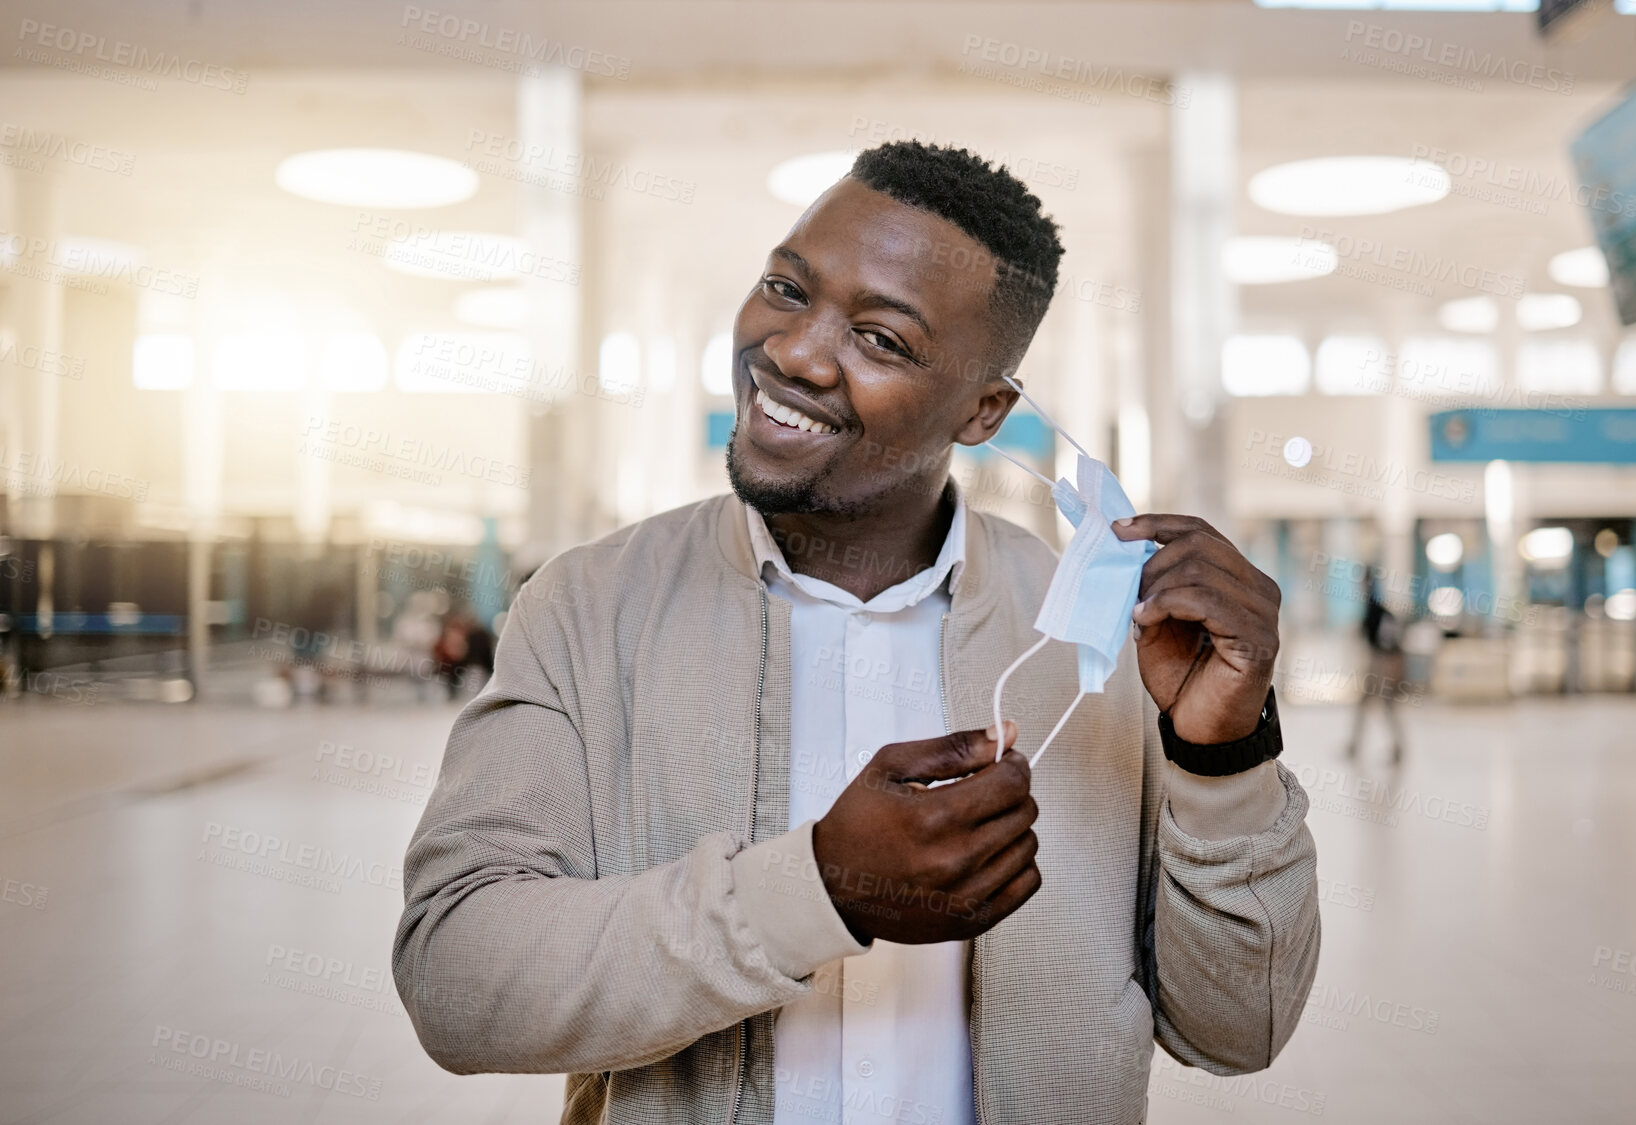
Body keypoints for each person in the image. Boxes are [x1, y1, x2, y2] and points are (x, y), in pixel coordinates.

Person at [394, 141, 1319, 1124]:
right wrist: (821, 888)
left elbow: (1237, 1029)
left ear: (983, 408)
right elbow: (457, 979)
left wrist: (1221, 754)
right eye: (786, 288)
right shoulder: (588, 606)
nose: (792, 352)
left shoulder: (1100, 648)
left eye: (881, 339)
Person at [1346, 565, 1408, 764]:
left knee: (1386, 705)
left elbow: (1389, 643)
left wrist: (1390, 669)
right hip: (1375, 661)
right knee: (1366, 704)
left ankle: (1397, 747)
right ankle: (1355, 745)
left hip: (1381, 663)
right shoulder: (1370, 608)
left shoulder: (1379, 610)